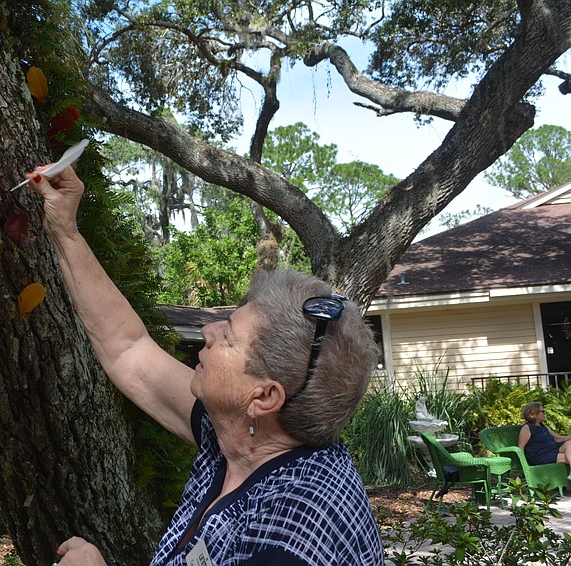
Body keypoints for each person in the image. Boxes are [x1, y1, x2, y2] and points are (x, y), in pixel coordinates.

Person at [25, 164, 383, 565]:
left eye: (228, 336)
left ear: (264, 397)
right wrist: (65, 230)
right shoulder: (238, 440)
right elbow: (129, 349)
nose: (209, 331)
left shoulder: (294, 538)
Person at [518, 401, 571, 478]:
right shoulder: (527, 428)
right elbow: (521, 447)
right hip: (541, 457)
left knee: (570, 443)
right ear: (533, 414)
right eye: (542, 411)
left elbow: (558, 438)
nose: (544, 413)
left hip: (552, 452)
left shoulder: (542, 426)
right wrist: (524, 465)